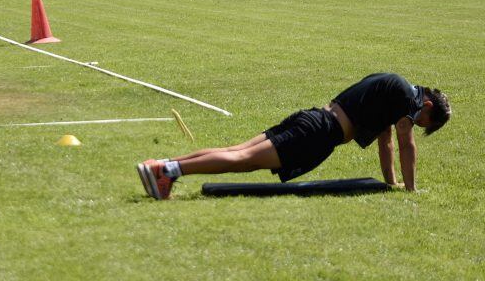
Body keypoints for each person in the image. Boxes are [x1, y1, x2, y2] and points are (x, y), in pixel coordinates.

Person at [137, 73, 451, 200]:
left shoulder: (392, 92)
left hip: (312, 117)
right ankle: (167, 171)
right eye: (423, 122)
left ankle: (162, 165)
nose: (416, 125)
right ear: (425, 105)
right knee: (242, 160)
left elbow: (387, 143)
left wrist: (392, 182)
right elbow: (404, 143)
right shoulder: (406, 99)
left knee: (235, 150)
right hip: (318, 133)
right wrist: (411, 190)